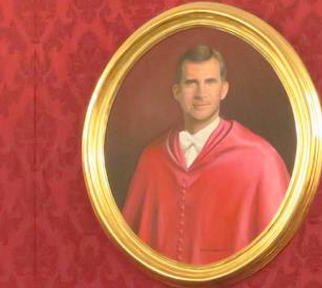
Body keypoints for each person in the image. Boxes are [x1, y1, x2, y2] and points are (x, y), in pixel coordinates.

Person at [121, 44, 290, 264]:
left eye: (210, 82)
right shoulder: (152, 158)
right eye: (191, 83)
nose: (201, 94)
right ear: (177, 92)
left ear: (224, 89)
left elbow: (278, 251)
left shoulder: (261, 159)